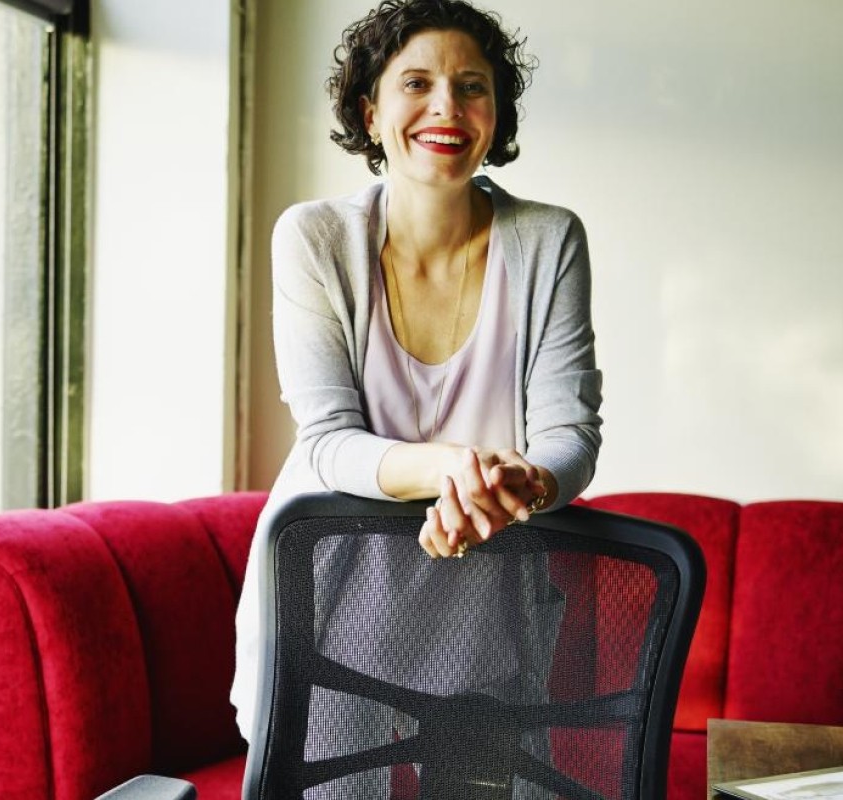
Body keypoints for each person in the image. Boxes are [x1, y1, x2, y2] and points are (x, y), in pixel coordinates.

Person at [230, 0, 604, 784]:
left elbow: (571, 437)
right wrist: (461, 467)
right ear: (371, 113)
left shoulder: (549, 239)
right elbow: (328, 441)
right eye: (417, 83)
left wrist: (525, 479)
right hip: (329, 597)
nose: (447, 107)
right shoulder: (315, 237)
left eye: (473, 87)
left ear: (495, 117)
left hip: (484, 599)